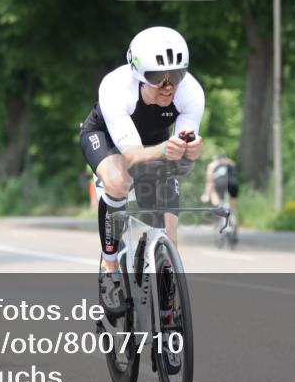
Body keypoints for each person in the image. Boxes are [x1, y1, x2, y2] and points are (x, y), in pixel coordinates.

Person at [78, 27, 204, 316]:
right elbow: (133, 156)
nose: (168, 87)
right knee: (118, 182)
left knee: (169, 234)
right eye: (157, 78)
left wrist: (191, 152)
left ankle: (168, 309)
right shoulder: (116, 87)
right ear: (138, 75)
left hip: (155, 142)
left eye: (176, 75)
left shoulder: (191, 92)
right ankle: (110, 266)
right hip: (107, 138)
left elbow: (181, 159)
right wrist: (166, 150)